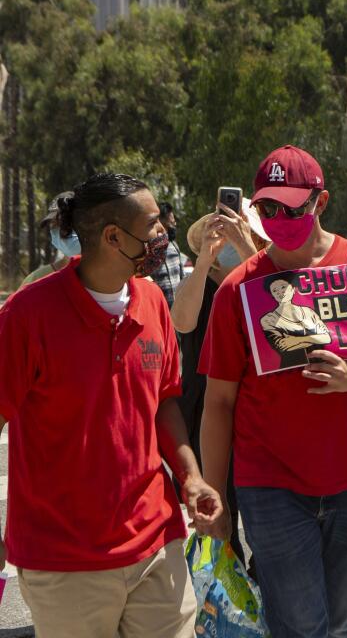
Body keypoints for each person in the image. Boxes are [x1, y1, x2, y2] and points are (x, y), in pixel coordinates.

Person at [198, 145, 347, 638]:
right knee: (301, 627)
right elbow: (218, 401)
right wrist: (217, 494)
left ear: (320, 203)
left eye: (290, 207)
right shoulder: (237, 290)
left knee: (338, 624)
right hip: (271, 490)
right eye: (267, 208)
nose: (277, 218)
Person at [0, 173, 222, 638]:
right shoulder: (25, 317)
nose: (163, 236)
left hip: (157, 543)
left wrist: (191, 476)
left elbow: (163, 404)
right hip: (65, 562)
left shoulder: (152, 303)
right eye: (154, 225)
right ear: (113, 237)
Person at [172, 199, 267, 564]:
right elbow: (182, 321)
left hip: (256, 403)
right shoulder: (197, 281)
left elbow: (278, 311)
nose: (227, 235)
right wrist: (204, 263)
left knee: (260, 505)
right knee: (217, 502)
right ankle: (223, 582)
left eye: (238, 227)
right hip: (205, 407)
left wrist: (246, 251)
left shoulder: (263, 277)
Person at [19, 192, 78, 288]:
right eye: (54, 224)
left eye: (67, 222)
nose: (61, 230)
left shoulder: (107, 280)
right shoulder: (36, 280)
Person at [149, 202, 186, 308]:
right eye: (170, 218)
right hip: (159, 307)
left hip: (178, 308)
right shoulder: (149, 246)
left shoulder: (173, 245)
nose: (173, 222)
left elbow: (181, 275)